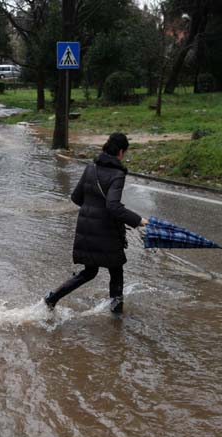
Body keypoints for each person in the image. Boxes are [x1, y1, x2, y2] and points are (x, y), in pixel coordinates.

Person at [44, 132, 149, 314]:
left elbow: (76, 198)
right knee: (116, 271)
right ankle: (117, 315)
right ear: (121, 152)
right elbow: (113, 206)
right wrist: (139, 220)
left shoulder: (90, 168)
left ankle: (52, 298)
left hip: (86, 228)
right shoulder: (117, 174)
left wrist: (92, 210)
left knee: (89, 272)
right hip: (107, 232)